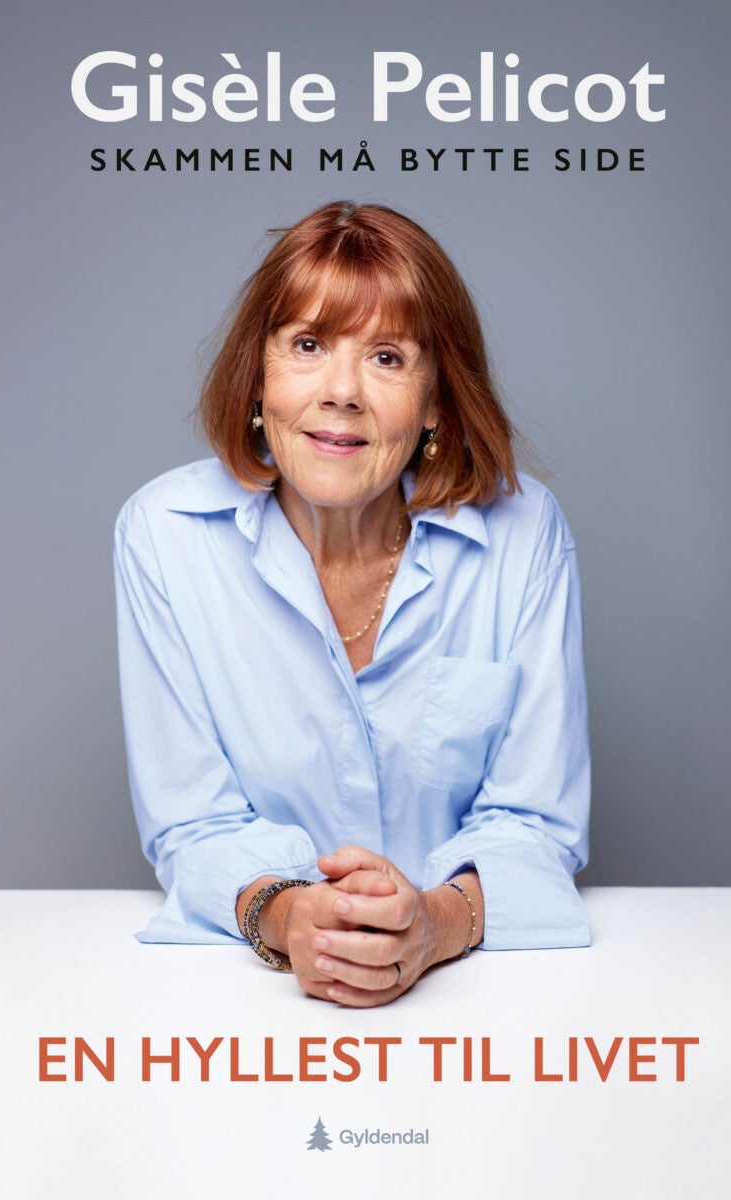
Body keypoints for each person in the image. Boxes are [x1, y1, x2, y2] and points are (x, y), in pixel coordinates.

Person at [114, 200, 590, 1008]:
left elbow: (536, 820)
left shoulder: (524, 531)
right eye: (307, 345)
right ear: (257, 375)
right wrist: (290, 917)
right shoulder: (163, 535)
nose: (341, 392)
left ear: (435, 400)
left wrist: (433, 923)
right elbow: (192, 824)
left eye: (386, 357)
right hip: (248, 1004)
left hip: (483, 998)